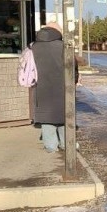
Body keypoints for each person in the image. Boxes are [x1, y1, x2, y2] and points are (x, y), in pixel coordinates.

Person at [33, 21, 70, 152]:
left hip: (41, 86)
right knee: (63, 113)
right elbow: (72, 66)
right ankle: (66, 143)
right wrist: (75, 79)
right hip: (62, 85)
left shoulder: (34, 46)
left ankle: (50, 145)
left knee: (46, 114)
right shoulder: (63, 47)